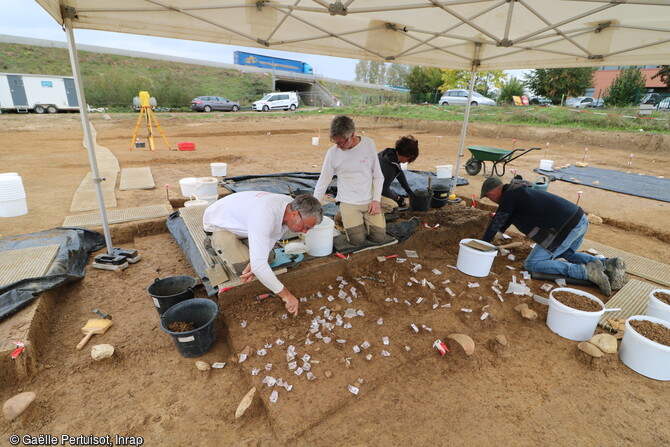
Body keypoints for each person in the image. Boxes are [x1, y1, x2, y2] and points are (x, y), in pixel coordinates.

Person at [479, 177, 626, 296]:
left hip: (566, 228)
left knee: (531, 264)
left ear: (491, 194)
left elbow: (497, 220)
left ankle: (587, 272)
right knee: (565, 253)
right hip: (579, 220)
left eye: (489, 198)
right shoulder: (517, 191)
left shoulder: (509, 197)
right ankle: (607, 264)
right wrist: (500, 232)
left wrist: (482, 244)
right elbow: (508, 217)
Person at [203, 192, 323, 315]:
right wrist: (286, 296)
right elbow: (259, 266)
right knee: (243, 268)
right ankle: (211, 242)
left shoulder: (290, 206)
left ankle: (242, 242)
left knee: (268, 258)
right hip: (219, 225)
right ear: (295, 214)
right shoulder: (264, 216)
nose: (305, 232)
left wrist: (257, 263)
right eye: (306, 227)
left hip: (244, 223)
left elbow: (273, 236)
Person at [313, 115, 386, 246]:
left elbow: (378, 176)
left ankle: (356, 220)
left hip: (369, 201)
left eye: (342, 142)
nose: (339, 146)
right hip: (348, 201)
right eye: (336, 143)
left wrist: (376, 201)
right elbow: (323, 181)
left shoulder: (369, 144)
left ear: (352, 134)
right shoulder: (332, 153)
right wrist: (314, 206)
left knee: (379, 238)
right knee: (357, 240)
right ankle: (343, 217)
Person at [378, 135, 419, 213]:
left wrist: (408, 190)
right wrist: (397, 198)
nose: (408, 161)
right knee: (393, 207)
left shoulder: (389, 154)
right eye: (409, 159)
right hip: (367, 192)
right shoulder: (389, 167)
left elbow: (399, 172)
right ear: (409, 155)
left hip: (371, 186)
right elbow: (383, 189)